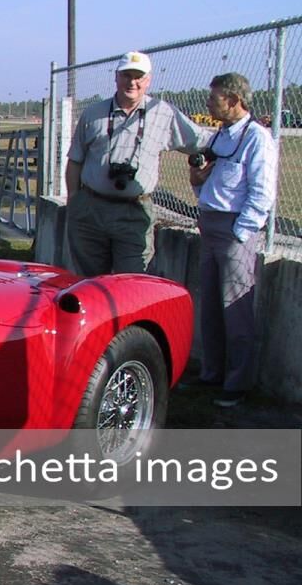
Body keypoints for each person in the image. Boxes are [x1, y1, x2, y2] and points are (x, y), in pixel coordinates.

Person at [65, 51, 209, 276]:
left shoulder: (163, 113)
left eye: (138, 77)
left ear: (148, 80)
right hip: (90, 210)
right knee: (88, 282)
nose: (132, 82)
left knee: (132, 282)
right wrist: (74, 200)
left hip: (135, 212)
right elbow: (75, 160)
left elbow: (202, 141)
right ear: (116, 77)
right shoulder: (93, 114)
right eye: (126, 75)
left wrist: (239, 136)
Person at [189, 72, 279, 408]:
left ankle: (237, 382)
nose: (209, 103)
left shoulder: (257, 138)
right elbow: (208, 181)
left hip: (234, 230)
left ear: (234, 100)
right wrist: (198, 186)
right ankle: (212, 373)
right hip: (210, 224)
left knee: (235, 307)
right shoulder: (220, 136)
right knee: (211, 304)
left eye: (214, 98)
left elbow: (262, 193)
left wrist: (241, 233)